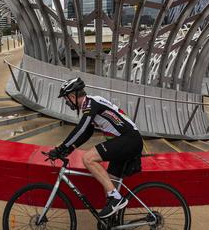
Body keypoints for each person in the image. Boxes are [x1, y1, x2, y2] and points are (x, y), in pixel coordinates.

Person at [48, 77, 143, 219]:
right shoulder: (90, 105)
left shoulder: (90, 103)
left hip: (129, 140)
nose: (66, 102)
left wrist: (61, 148)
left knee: (88, 158)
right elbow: (87, 132)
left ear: (73, 96)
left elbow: (81, 129)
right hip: (126, 141)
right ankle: (114, 222)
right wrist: (69, 148)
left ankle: (116, 199)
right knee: (109, 184)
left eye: (66, 99)